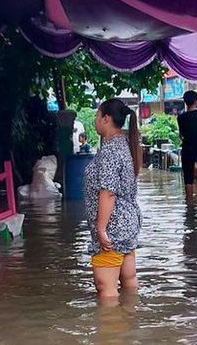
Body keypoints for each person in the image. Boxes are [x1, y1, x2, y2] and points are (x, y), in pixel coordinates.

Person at [84, 99, 142, 299]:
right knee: (129, 280)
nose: (95, 120)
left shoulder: (109, 150)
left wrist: (101, 229)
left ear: (106, 119)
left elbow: (108, 192)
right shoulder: (125, 145)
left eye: (97, 115)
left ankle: (111, 329)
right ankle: (131, 324)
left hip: (113, 227)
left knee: (106, 288)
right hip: (127, 224)